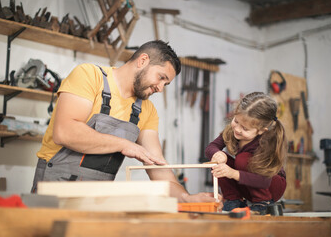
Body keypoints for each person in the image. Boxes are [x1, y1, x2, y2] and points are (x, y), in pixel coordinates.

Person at [31, 40, 220, 205]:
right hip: (55, 190)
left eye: (166, 84)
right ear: (143, 60)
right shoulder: (90, 76)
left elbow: (157, 168)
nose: (161, 88)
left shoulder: (147, 110)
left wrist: (187, 198)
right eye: (161, 77)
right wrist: (124, 144)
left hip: (99, 200)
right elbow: (65, 132)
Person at [205, 92, 287, 213]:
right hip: (248, 184)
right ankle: (234, 200)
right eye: (236, 121)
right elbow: (211, 147)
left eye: (245, 128)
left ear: (260, 131)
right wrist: (217, 154)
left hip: (270, 185)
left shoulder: (266, 142)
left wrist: (233, 173)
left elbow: (264, 180)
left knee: (243, 159)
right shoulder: (232, 131)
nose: (237, 129)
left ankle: (262, 202)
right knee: (218, 163)